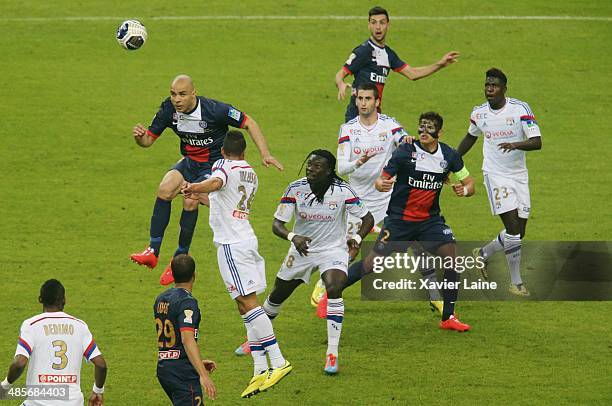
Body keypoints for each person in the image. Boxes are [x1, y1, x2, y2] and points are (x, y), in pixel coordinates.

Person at [130, 74, 283, 286]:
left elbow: (249, 122)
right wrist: (139, 138)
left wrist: (265, 154)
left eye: (182, 94)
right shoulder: (169, 110)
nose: (177, 99)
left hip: (214, 165)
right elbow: (147, 140)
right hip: (190, 162)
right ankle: (153, 251)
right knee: (165, 189)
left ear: (194, 93)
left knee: (191, 200)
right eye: (173, 94)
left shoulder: (215, 110)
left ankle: (179, 257)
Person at [311, 82, 445, 315]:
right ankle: (325, 285)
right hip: (358, 201)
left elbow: (407, 140)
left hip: (389, 200)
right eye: (360, 99)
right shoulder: (348, 130)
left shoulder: (390, 126)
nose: (363, 103)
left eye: (367, 99)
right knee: (348, 250)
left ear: (377, 102)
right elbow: (341, 168)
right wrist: (359, 162)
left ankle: (435, 296)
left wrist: (407, 141)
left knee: (417, 244)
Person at [181, 131, 292, 398]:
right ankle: (259, 368)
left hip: (231, 245)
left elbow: (217, 182)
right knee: (244, 305)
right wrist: (200, 196)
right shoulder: (249, 172)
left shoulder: (222, 167)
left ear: (222, 151)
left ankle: (277, 361)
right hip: (245, 239)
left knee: (248, 303)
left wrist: (193, 187)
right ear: (244, 152)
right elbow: (224, 200)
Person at [343, 112, 475, 332]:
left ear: (440, 133)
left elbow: (470, 183)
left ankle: (448, 316)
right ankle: (331, 291)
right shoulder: (405, 151)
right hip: (399, 221)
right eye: (421, 127)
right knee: (371, 264)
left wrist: (465, 190)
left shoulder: (450, 156)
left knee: (452, 259)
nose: (423, 132)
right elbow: (382, 179)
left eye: (429, 128)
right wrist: (380, 185)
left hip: (429, 222)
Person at [248, 150, 374, 374]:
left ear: (328, 171)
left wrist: (356, 238)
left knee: (335, 287)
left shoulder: (343, 191)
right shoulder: (296, 188)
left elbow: (367, 218)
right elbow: (276, 224)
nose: (310, 169)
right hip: (301, 250)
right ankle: (255, 340)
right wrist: (292, 236)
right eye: (309, 165)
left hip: (333, 250)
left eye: (316, 166)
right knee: (278, 294)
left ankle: (332, 353)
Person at [457, 68, 542, 297]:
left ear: (504, 88)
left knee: (519, 232)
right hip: (494, 175)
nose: (489, 89)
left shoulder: (520, 109)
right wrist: (453, 159)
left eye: (494, 85)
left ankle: (482, 254)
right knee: (513, 229)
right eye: (487, 85)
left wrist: (516, 144)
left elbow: (537, 142)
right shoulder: (479, 113)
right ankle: (516, 282)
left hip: (519, 175)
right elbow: (470, 137)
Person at [335, 6, 459, 122]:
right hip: (356, 117)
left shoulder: (389, 54)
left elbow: (412, 74)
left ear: (388, 25)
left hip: (375, 118)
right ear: (369, 26)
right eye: (373, 22)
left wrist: (440, 64)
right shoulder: (364, 51)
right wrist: (340, 83)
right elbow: (340, 73)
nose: (378, 27)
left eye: (382, 22)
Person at [0, 279, 107, 405]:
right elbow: (101, 365)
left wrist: (5, 385)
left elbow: (19, 363)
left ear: (40, 299)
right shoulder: (80, 326)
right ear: (64, 300)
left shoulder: (31, 325)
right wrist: (97, 391)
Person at [154, 254, 217, 404]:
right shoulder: (187, 303)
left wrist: (198, 363)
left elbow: (173, 339)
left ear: (173, 275)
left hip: (165, 368)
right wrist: (203, 374)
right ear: (194, 275)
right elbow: (186, 339)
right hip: (182, 373)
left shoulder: (161, 299)